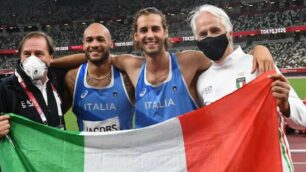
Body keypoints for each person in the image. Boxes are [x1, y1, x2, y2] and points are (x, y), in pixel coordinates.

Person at [51, 7, 274, 128]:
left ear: (165, 32)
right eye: (144, 30)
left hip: (187, 157)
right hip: (149, 159)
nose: (150, 35)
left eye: (155, 28)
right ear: (136, 36)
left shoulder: (190, 61)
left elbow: (227, 57)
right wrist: (50, 63)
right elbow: (93, 54)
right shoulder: (131, 65)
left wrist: (258, 49)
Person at [190, 4, 306, 172]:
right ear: (197, 41)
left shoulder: (260, 64)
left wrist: (286, 105)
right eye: (203, 34)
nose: (209, 37)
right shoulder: (202, 81)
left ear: (229, 33)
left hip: (271, 165)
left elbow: (303, 120)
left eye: (215, 30)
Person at [64, 23, 135, 132]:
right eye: (89, 40)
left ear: (111, 44)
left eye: (100, 39)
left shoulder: (127, 77)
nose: (94, 44)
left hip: (123, 149)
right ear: (83, 45)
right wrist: (50, 63)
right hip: (87, 149)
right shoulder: (72, 78)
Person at [0, 31, 69, 139]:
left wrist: (51, 63)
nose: (32, 59)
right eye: (27, 54)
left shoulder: (57, 80)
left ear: (51, 56)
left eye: (38, 54)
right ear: (20, 57)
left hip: (57, 153)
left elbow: (87, 58)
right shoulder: (5, 87)